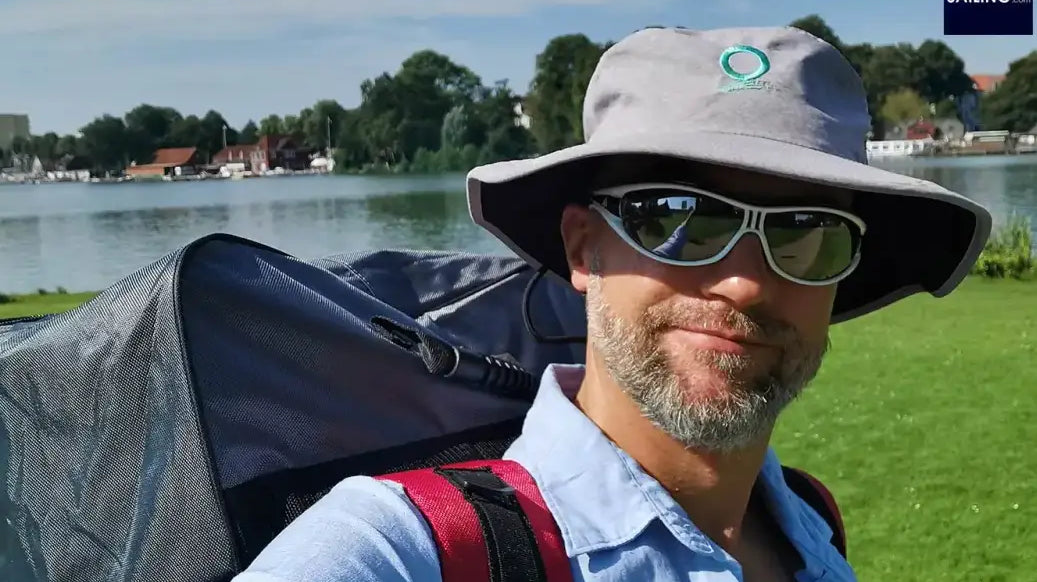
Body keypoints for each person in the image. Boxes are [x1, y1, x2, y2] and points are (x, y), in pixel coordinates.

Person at [233, 25, 990, 582]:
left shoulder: (808, 520)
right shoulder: (406, 547)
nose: (744, 283)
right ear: (582, 248)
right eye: (679, 218)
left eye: (807, 233)